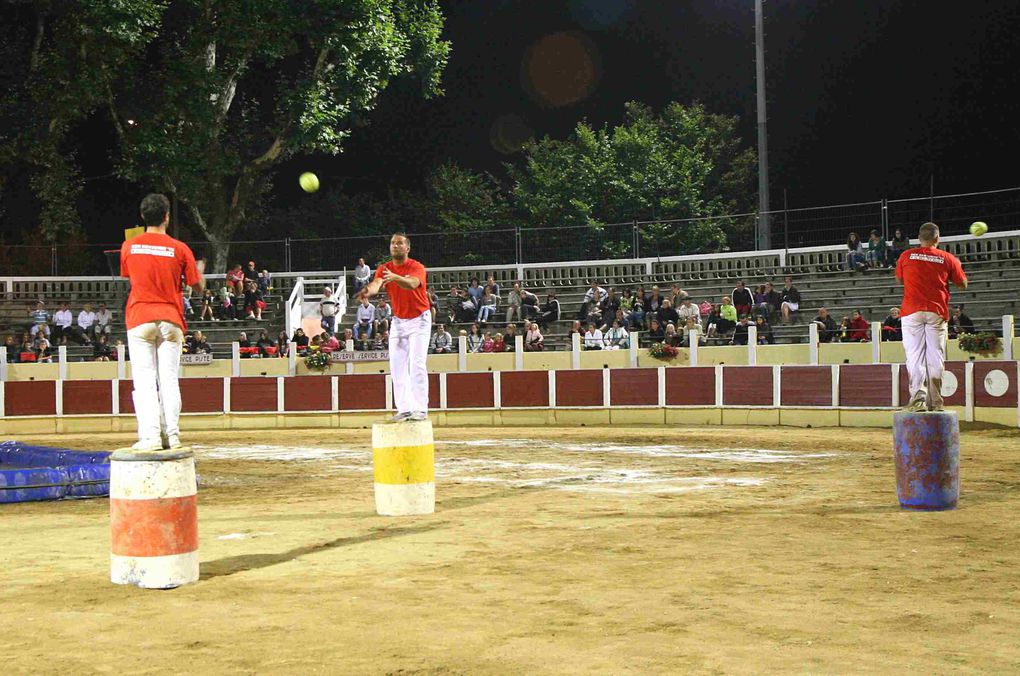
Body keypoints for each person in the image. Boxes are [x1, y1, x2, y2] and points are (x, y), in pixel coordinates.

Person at [120, 193, 204, 451]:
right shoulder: (180, 249)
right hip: (171, 319)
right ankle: (173, 436)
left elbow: (129, 276)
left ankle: (151, 438)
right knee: (169, 380)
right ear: (167, 216)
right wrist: (199, 270)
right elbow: (198, 287)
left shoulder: (129, 246)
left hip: (139, 317)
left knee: (144, 381)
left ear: (143, 216)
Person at [357, 233, 430, 422]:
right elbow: (376, 284)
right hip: (399, 320)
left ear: (407, 248)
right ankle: (404, 409)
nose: (395, 246)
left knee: (416, 364)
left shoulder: (416, 267)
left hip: (419, 319)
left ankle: (420, 409)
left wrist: (396, 277)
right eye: (392, 243)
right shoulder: (384, 269)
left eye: (399, 243)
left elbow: (413, 284)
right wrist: (368, 292)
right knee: (396, 366)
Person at [896, 221, 968, 411]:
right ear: (937, 238)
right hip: (936, 311)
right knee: (935, 356)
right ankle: (936, 402)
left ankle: (918, 400)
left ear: (919, 239)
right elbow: (963, 284)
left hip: (911, 311)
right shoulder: (948, 258)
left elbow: (899, 278)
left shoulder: (906, 255)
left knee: (914, 356)